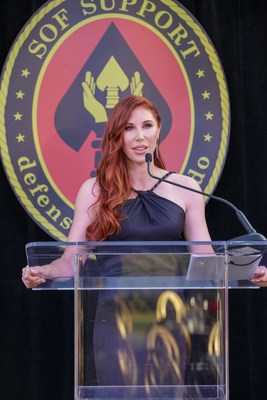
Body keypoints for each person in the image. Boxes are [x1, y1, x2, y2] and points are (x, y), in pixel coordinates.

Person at [21, 95, 267, 389]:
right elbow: (72, 261)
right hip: (116, 320)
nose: (139, 136)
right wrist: (43, 271)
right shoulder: (95, 190)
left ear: (159, 130)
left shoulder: (186, 188)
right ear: (116, 136)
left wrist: (246, 270)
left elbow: (206, 259)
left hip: (169, 317)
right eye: (128, 128)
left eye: (147, 126)